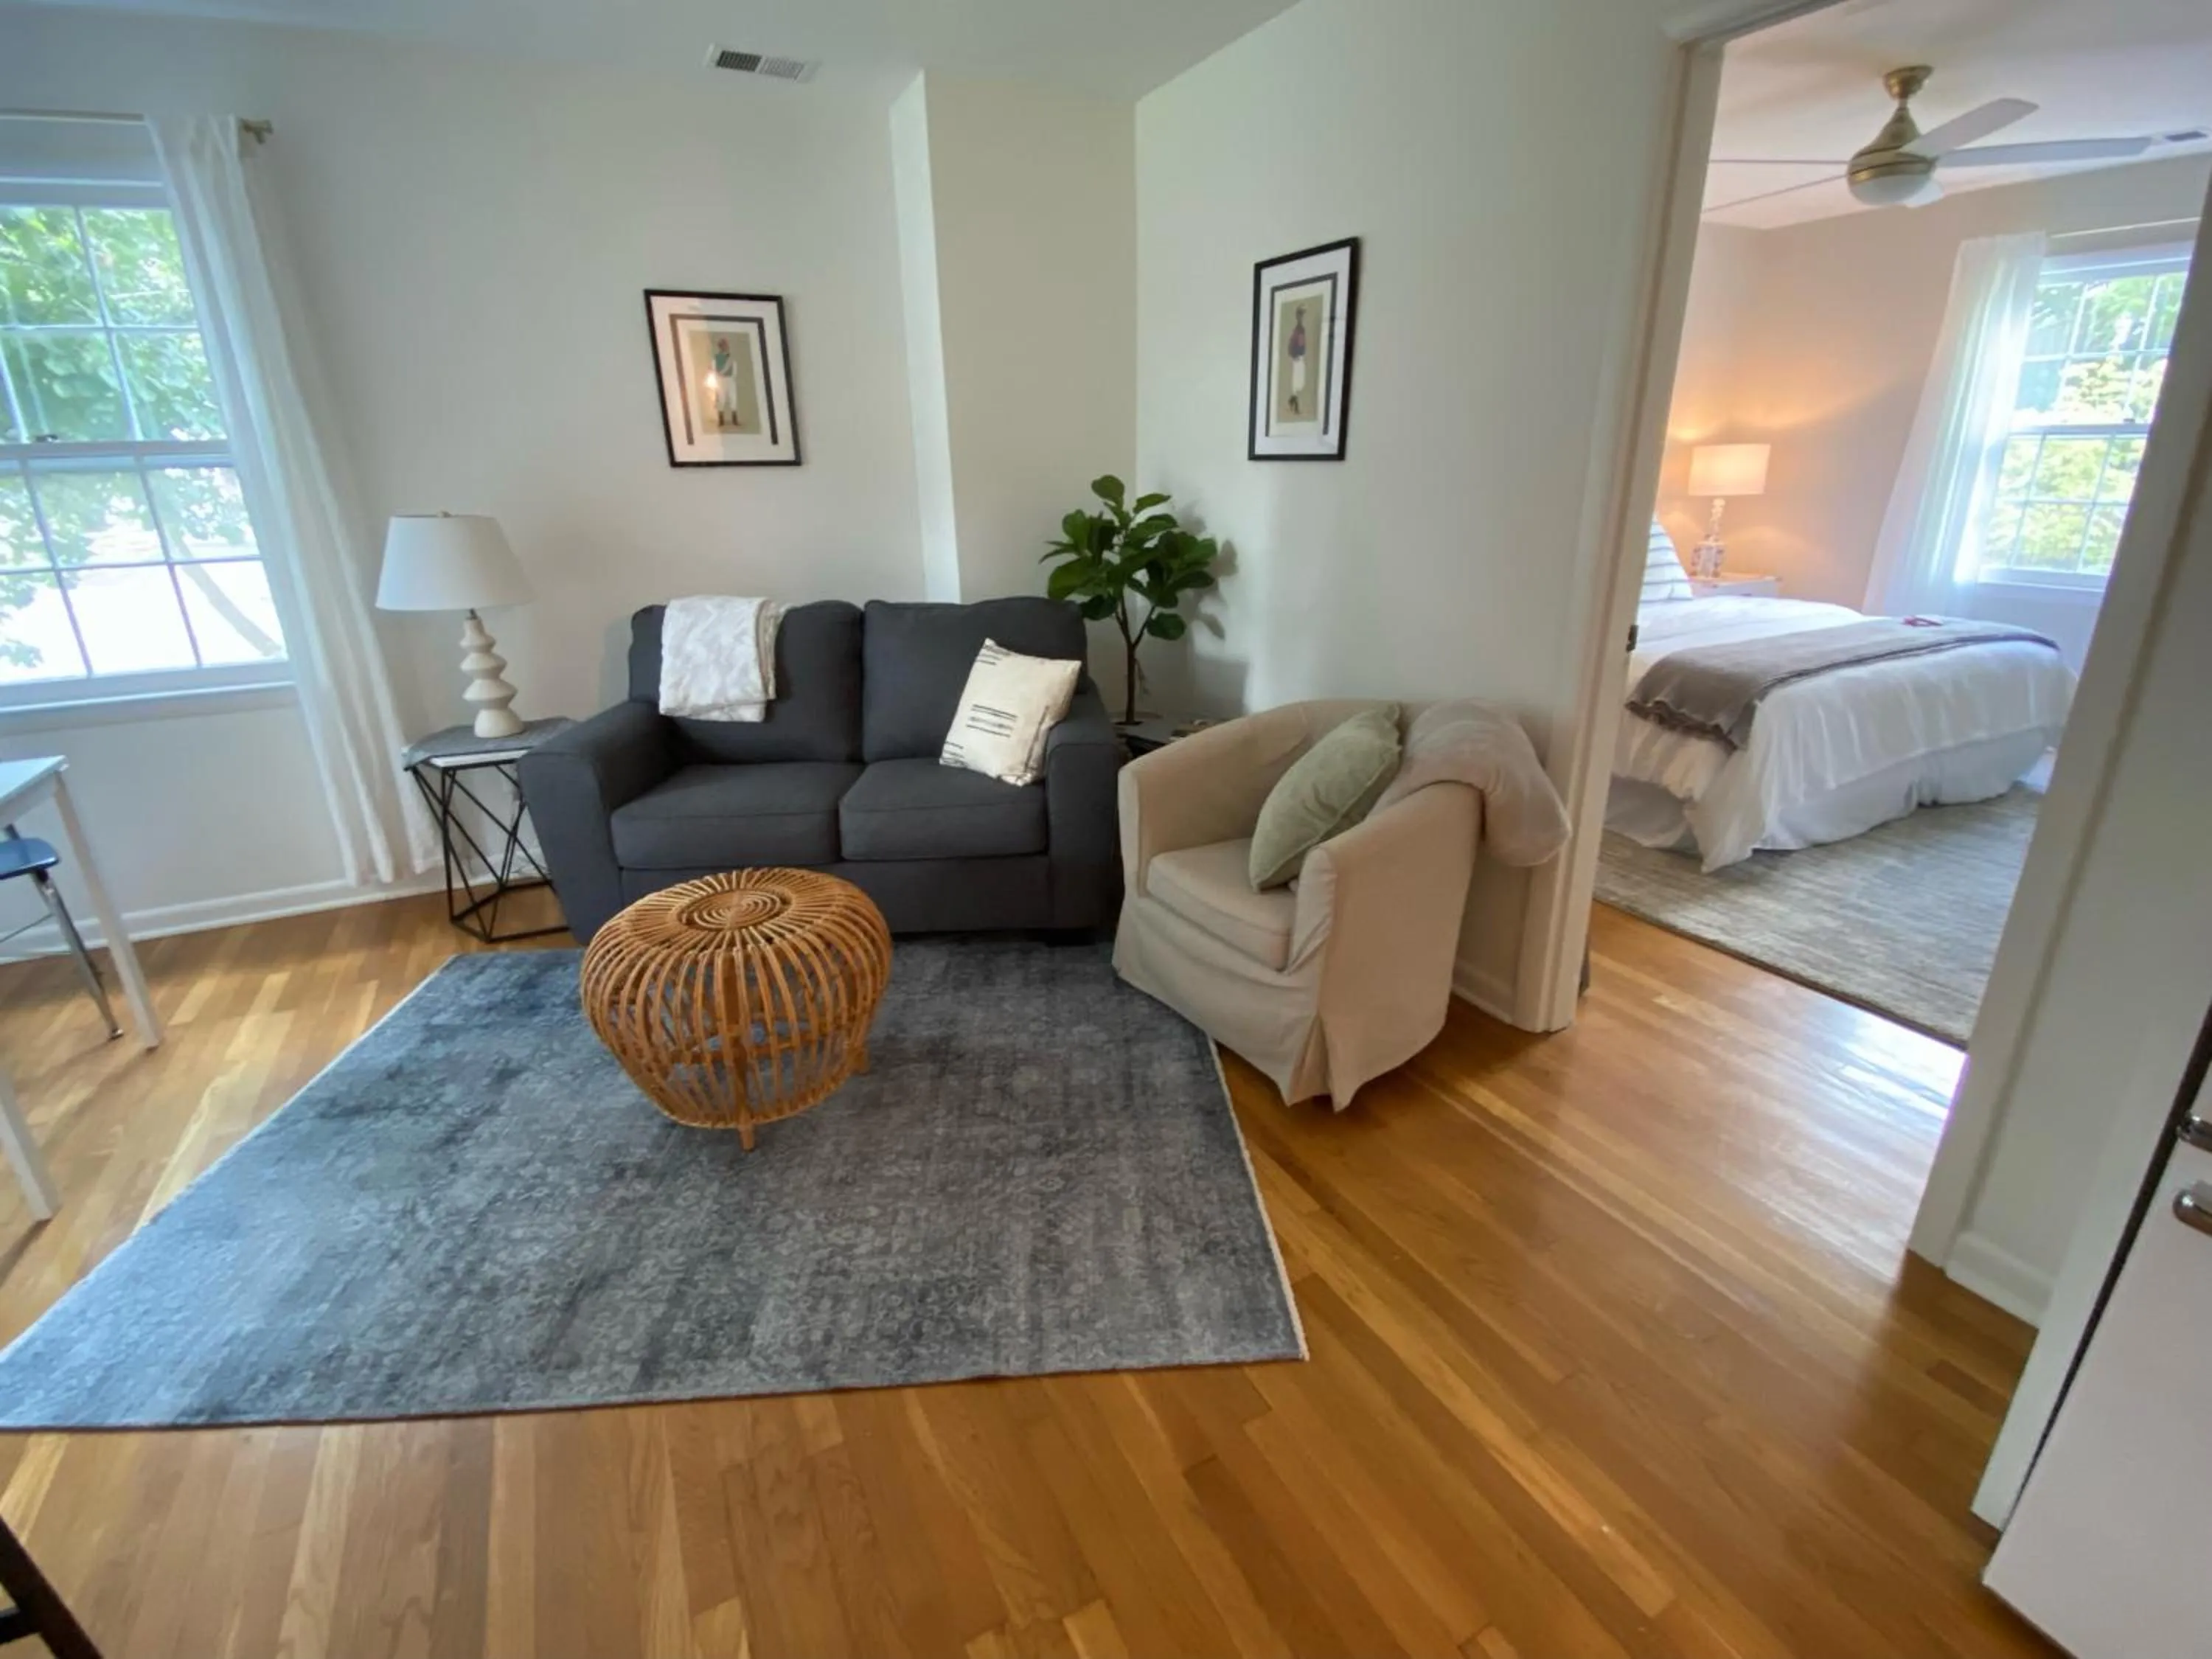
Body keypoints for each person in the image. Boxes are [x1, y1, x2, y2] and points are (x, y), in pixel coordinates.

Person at [1286, 306, 1309, 417]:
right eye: (1301, 315)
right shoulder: (1298, 330)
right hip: (1298, 357)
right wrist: (1296, 355)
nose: (1302, 317)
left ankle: (1293, 403)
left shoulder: (1300, 329)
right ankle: (1295, 405)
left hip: (1300, 356)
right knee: (1297, 382)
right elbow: (1297, 344)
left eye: (1302, 315)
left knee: (1299, 382)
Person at [712, 335, 740, 428]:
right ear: (720, 347)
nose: (726, 347)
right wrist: (718, 378)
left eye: (726, 345)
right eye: (724, 345)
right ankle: (721, 420)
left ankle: (734, 420)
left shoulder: (730, 357)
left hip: (730, 379)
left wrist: (732, 377)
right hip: (721, 380)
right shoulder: (716, 358)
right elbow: (714, 369)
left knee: (733, 398)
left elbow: (734, 368)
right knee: (721, 399)